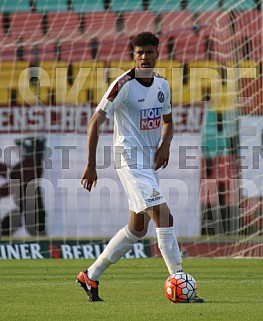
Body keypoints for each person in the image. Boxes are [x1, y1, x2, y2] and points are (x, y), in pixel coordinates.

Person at [76, 32, 204, 303]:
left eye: (150, 52)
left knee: (137, 228)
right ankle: (179, 279)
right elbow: (94, 124)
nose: (145, 57)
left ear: (158, 54)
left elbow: (167, 122)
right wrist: (90, 165)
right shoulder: (122, 85)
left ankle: (91, 274)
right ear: (133, 56)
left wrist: (165, 145)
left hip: (148, 162)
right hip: (129, 160)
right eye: (140, 53)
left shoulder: (163, 85)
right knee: (164, 215)